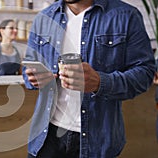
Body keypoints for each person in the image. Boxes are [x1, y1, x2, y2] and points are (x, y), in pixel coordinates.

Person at [22, 0, 156, 158]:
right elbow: (28, 68)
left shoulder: (126, 16)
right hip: (46, 138)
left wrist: (101, 82)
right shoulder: (43, 18)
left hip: (98, 141)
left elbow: (145, 74)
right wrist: (32, 78)